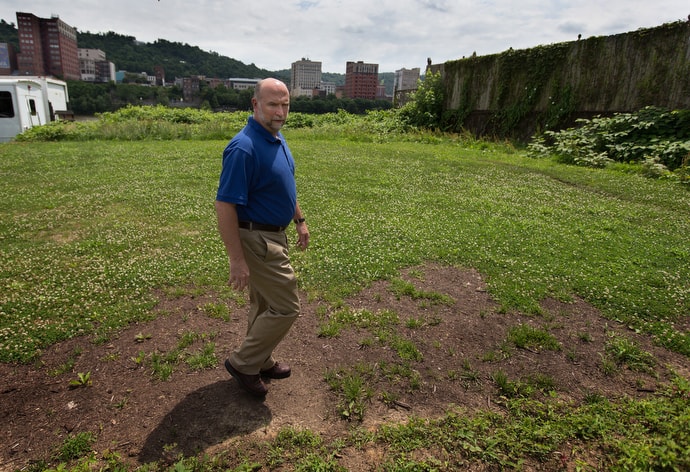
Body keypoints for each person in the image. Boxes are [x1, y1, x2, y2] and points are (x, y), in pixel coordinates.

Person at [215, 78, 309, 397]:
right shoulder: (243, 147)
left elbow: (285, 183)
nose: (280, 111)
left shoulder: (276, 137)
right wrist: (237, 259)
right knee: (286, 306)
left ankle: (260, 358)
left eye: (285, 104)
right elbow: (225, 204)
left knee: (265, 302)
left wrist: (299, 220)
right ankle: (244, 363)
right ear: (255, 105)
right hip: (257, 238)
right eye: (273, 104)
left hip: (275, 234)